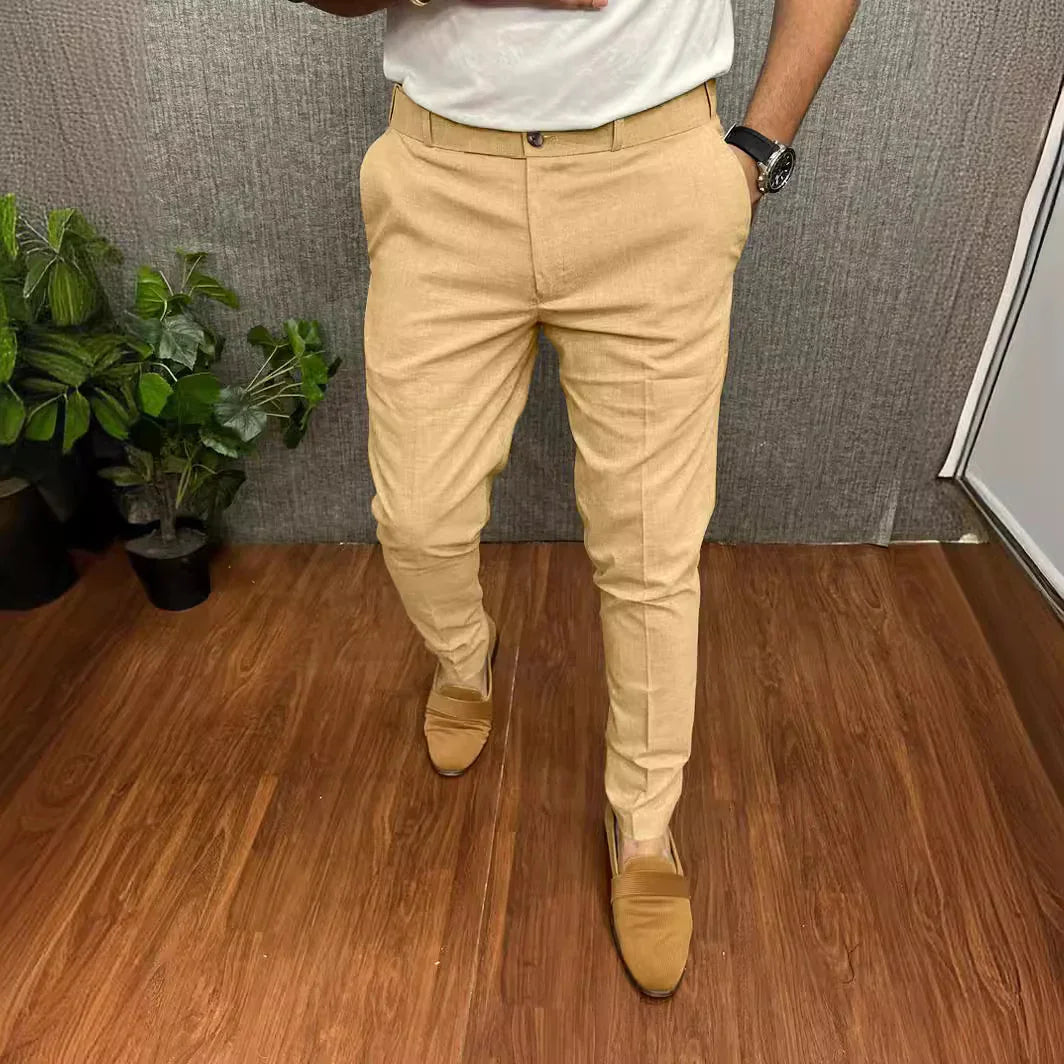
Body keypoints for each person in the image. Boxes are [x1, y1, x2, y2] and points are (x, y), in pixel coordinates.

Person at [296, 0, 857, 997]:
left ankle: (644, 823)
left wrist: (756, 151)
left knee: (651, 551)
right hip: (442, 183)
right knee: (416, 518)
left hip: (654, 182)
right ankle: (464, 657)